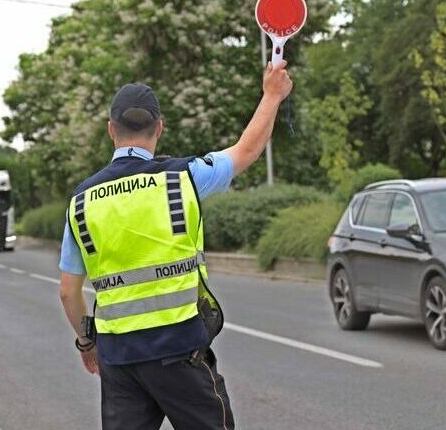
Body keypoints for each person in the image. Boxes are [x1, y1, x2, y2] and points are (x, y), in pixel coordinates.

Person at [58, 61, 293, 430]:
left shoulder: (81, 201)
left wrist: (87, 345)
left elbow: (68, 293)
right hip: (179, 352)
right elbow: (246, 150)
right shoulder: (182, 178)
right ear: (159, 129)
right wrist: (272, 95)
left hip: (120, 361)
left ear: (110, 131)